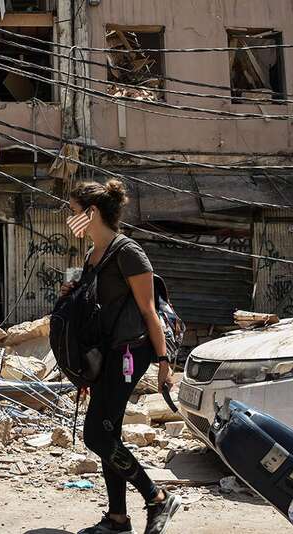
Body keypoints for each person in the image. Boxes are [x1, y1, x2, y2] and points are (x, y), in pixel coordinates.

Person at [61, 180, 180, 534]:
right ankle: (117, 519)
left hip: (132, 351)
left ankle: (157, 497)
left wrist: (164, 363)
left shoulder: (128, 252)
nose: (70, 219)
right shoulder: (91, 257)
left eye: (73, 212)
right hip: (106, 355)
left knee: (96, 434)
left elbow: (150, 312)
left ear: (91, 213)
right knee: (106, 431)